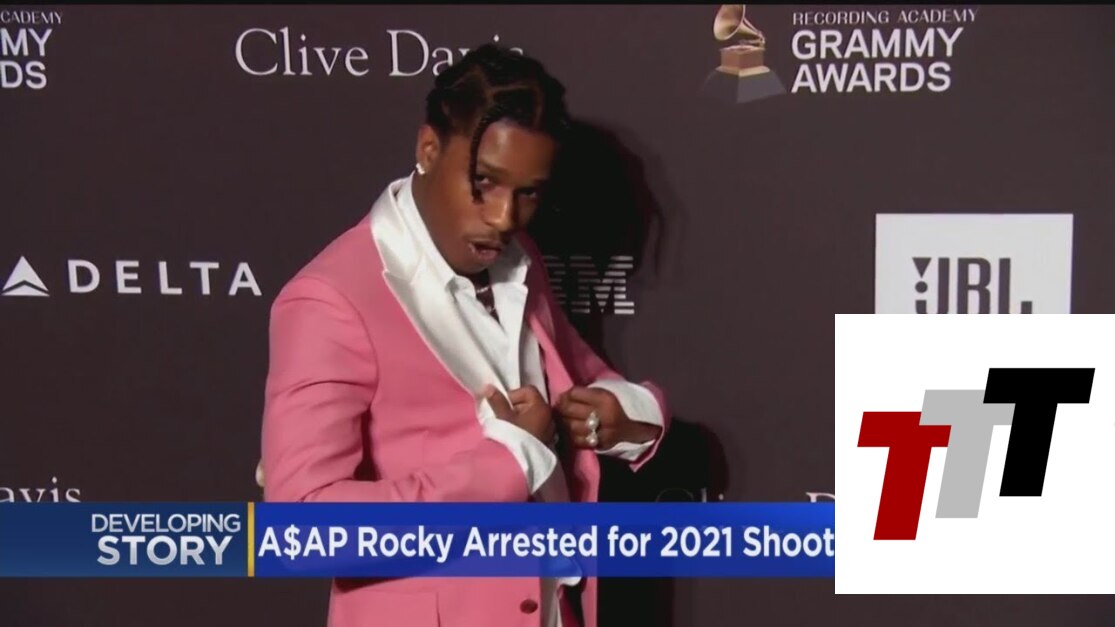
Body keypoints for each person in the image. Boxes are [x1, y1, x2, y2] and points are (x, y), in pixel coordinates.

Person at [260, 43, 669, 627]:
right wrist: (511, 458)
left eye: (528, 192)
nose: (504, 218)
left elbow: (583, 378)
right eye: (484, 182)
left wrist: (626, 415)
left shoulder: (518, 258)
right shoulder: (331, 299)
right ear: (428, 150)